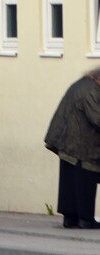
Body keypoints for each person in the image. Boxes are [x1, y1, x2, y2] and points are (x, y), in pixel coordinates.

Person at [43, 67, 100, 228]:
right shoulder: (91, 91)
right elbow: (97, 118)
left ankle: (70, 218)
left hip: (68, 144)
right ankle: (85, 219)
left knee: (69, 182)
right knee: (85, 181)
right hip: (81, 146)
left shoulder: (82, 85)